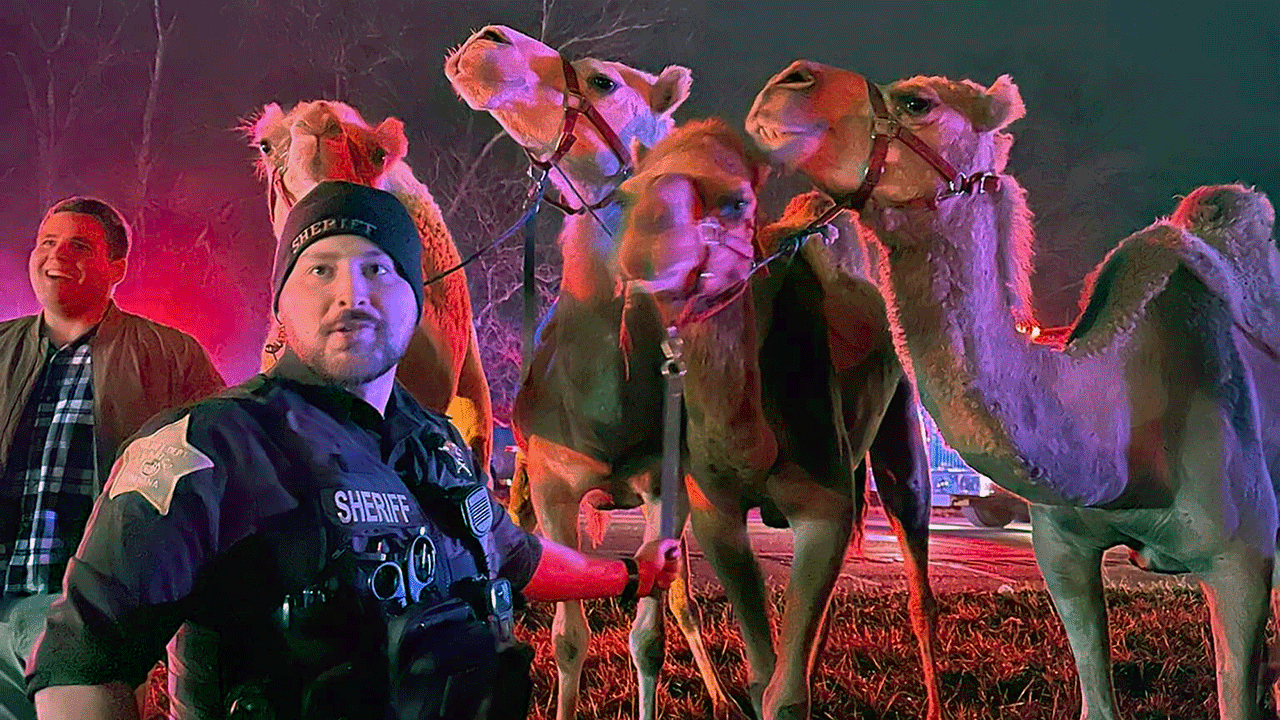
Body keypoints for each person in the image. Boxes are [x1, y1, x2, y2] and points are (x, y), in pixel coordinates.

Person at [26, 181, 680, 720]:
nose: (351, 291)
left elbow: (515, 557)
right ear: (279, 305)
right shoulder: (206, 446)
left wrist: (630, 574)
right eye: (319, 269)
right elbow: (82, 668)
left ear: (414, 301)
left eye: (378, 268)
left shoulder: (437, 444)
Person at [0, 197, 225, 720]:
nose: (57, 254)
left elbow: (223, 474)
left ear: (117, 268)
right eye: (47, 242)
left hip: (86, 615)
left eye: (80, 245)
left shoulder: (172, 356)